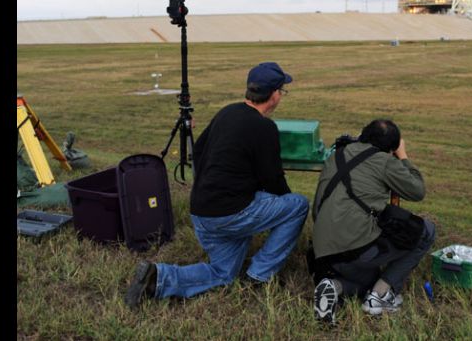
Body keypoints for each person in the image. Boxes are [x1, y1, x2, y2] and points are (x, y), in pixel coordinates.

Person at [125, 62, 309, 308]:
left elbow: (198, 153)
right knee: (297, 204)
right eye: (282, 91)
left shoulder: (227, 112)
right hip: (231, 215)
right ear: (274, 94)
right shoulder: (265, 127)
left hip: (202, 213)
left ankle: (158, 278)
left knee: (224, 274)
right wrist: (280, 205)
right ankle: (260, 275)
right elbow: (274, 181)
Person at [310, 119, 436, 324]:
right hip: (354, 250)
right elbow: (417, 190)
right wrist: (402, 156)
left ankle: (334, 287)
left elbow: (317, 209)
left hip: (322, 251)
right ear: (390, 149)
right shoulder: (384, 161)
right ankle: (379, 296)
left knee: (369, 280)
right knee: (427, 230)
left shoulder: (336, 155)